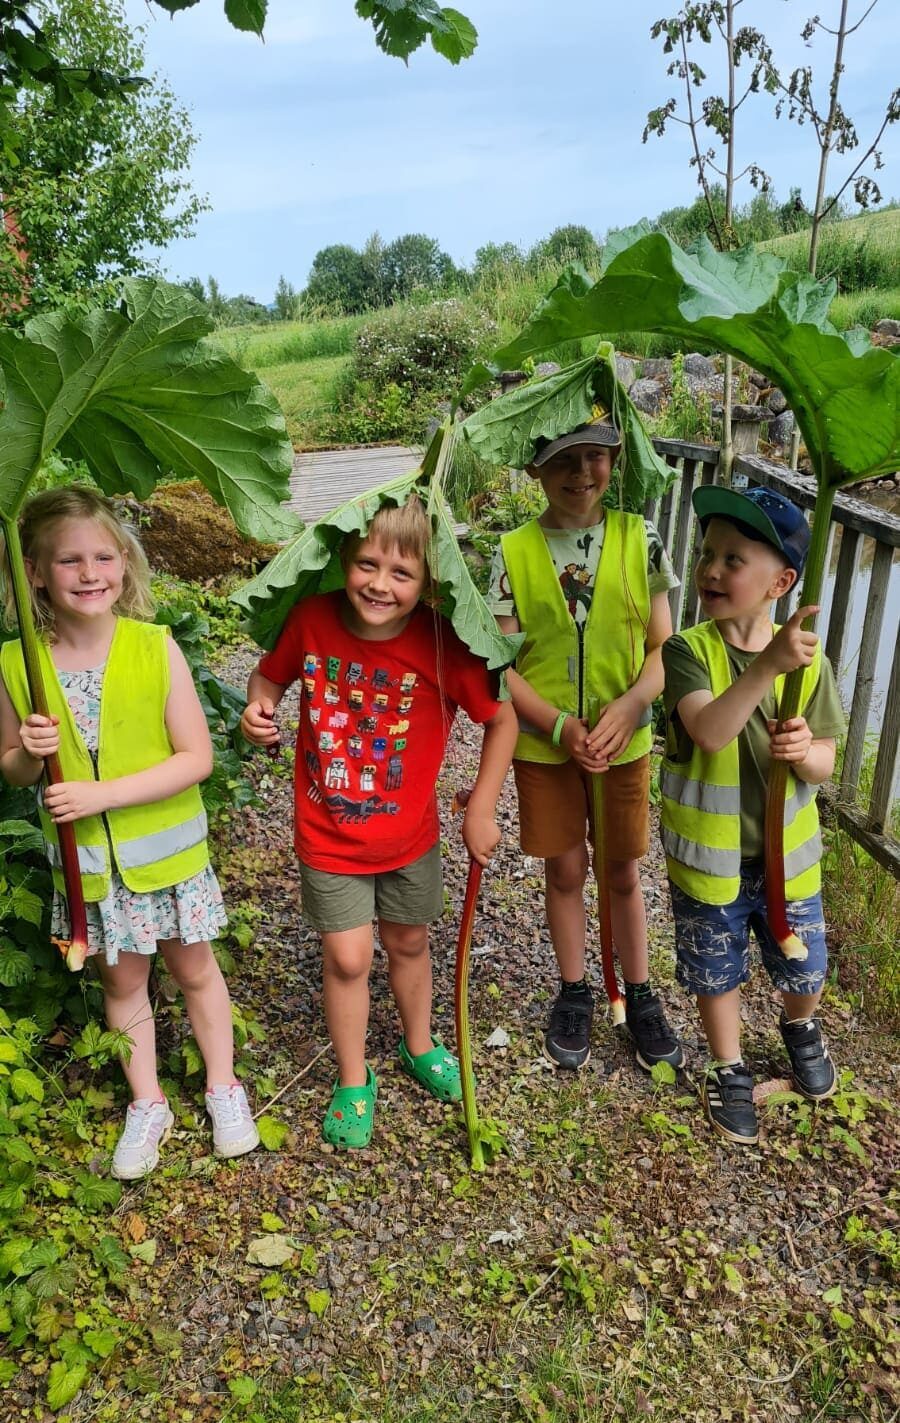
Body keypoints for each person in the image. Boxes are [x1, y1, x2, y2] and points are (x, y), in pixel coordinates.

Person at [240, 495, 517, 1150]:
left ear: (428, 583)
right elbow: (268, 677)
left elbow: (501, 718)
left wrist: (480, 804)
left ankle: (419, 1043)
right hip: (328, 832)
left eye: (402, 573)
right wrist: (260, 709)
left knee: (410, 941)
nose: (379, 584)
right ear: (343, 560)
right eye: (367, 564)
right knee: (347, 955)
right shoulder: (311, 619)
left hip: (408, 835)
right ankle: (353, 1075)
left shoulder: (441, 641)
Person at [0, 487, 259, 1179]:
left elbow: (196, 758)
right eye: (69, 561)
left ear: (124, 562)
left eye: (103, 556)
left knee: (196, 969)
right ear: (34, 573)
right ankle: (148, 1102)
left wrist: (101, 794)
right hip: (90, 871)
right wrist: (28, 747)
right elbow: (15, 768)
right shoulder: (16, 663)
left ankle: (222, 1086)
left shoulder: (154, 647)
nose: (90, 573)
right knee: (123, 984)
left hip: (167, 861)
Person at [489, 410, 683, 1073]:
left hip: (623, 743)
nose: (581, 473)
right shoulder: (510, 552)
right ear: (535, 470)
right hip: (546, 747)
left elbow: (663, 649)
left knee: (623, 870)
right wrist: (557, 724)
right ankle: (575, 989)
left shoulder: (642, 538)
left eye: (595, 456)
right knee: (566, 868)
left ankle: (641, 990)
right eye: (563, 459)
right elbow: (502, 665)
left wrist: (631, 706)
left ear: (615, 460)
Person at [661, 484, 845, 1145]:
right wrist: (766, 667)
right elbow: (710, 730)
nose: (711, 569)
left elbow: (827, 753)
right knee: (718, 969)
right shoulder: (687, 651)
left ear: (781, 582)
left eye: (734, 559)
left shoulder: (808, 659)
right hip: (711, 861)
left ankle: (800, 1025)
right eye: (708, 553)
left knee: (806, 963)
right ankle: (728, 1063)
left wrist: (805, 755)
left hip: (787, 860)